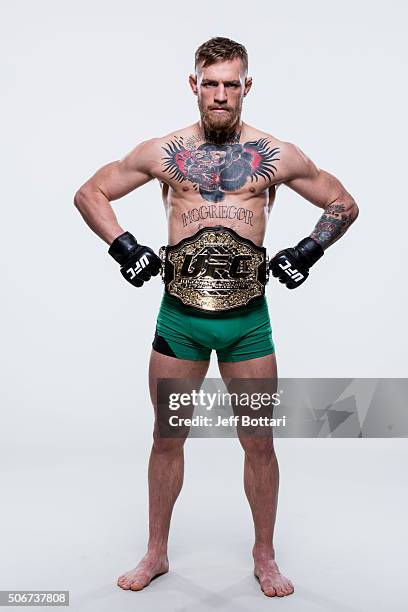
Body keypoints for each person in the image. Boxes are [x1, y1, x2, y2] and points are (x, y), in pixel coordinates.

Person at [74, 36, 358, 598]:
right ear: (194, 85)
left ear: (247, 86)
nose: (221, 94)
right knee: (166, 437)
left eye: (232, 83)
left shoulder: (277, 154)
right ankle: (156, 553)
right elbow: (91, 193)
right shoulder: (163, 151)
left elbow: (343, 203)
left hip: (248, 322)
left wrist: (308, 250)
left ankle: (265, 555)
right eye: (212, 83)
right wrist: (124, 246)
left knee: (258, 442)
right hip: (179, 319)